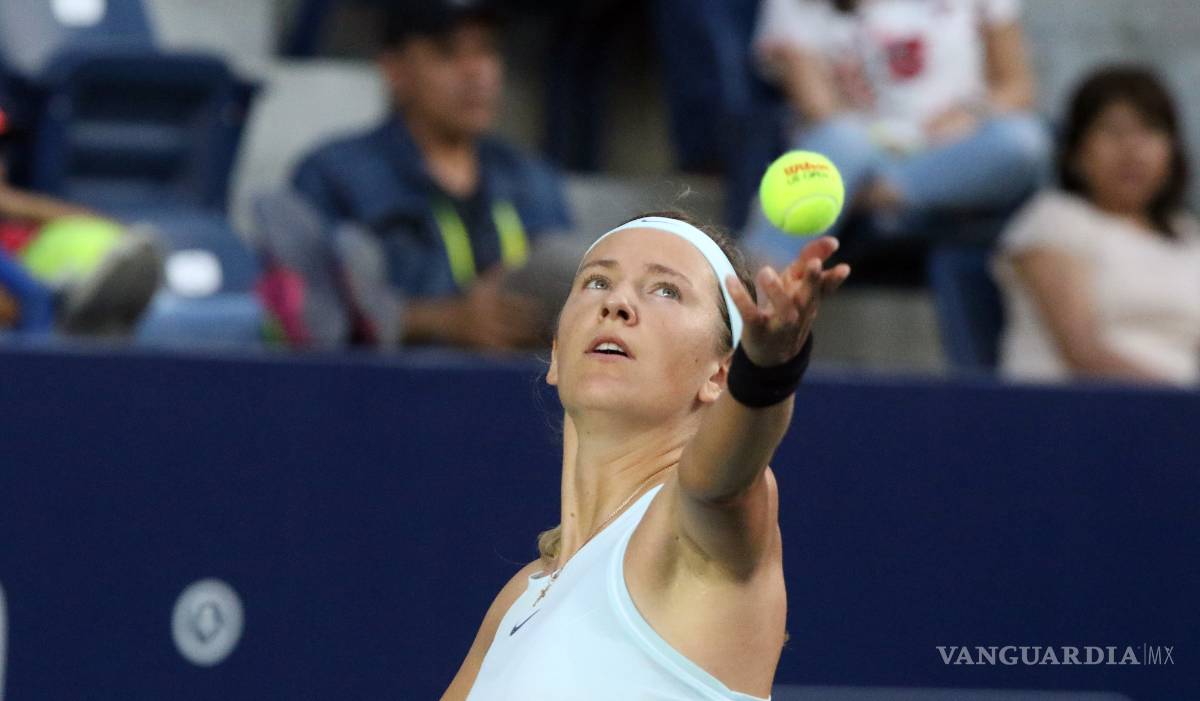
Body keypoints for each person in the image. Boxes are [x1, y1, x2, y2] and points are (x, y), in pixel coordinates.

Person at [439, 211, 850, 699]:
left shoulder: (690, 530)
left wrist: (769, 369)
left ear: (721, 375)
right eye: (596, 282)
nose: (617, 302)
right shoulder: (520, 596)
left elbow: (724, 480)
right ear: (555, 353)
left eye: (666, 290)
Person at [270, 0, 572, 351]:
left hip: (523, 394)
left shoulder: (534, 178)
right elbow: (310, 317)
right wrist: (437, 320)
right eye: (448, 53)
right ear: (394, 69)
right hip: (384, 396)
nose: (476, 72)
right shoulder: (334, 174)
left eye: (487, 50)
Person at [745, 0, 1050, 266]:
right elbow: (820, 108)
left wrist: (971, 114)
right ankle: (757, 291)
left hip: (956, 151)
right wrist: (884, 141)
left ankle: (872, 196)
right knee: (841, 139)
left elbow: (1018, 88)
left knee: (1024, 141)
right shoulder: (795, 5)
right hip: (862, 151)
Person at [991, 66, 1200, 386]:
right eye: (1113, 132)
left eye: (1150, 131)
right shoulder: (1054, 219)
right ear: (1076, 152)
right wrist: (1180, 406)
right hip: (1084, 414)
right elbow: (1083, 353)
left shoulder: (1187, 234)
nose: (1133, 150)